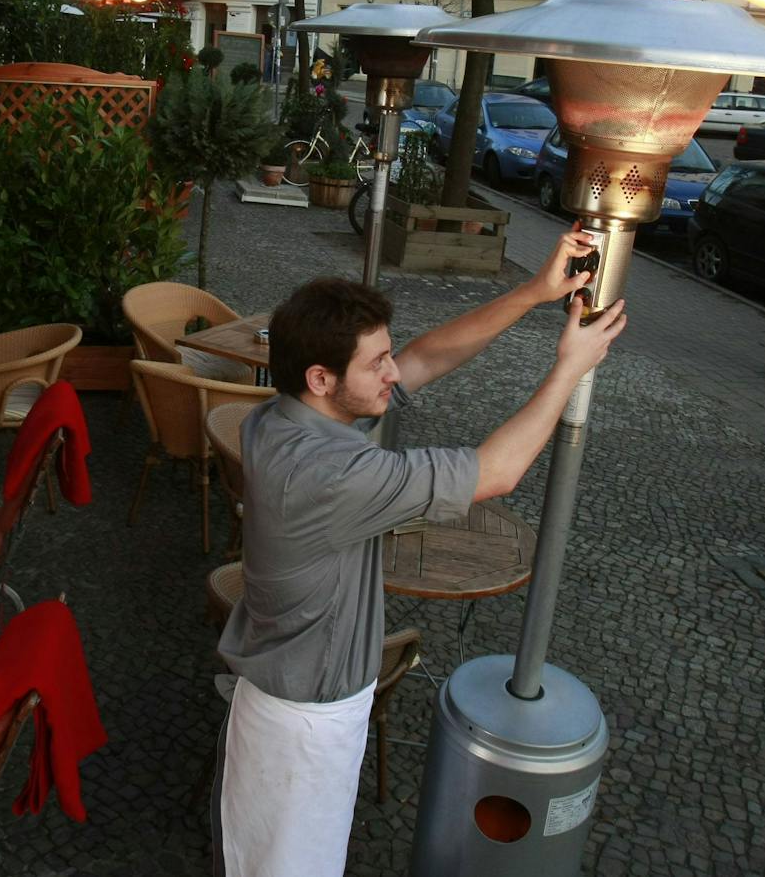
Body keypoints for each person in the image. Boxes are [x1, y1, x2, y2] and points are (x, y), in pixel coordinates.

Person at [212, 226, 627, 877]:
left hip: (290, 699)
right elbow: (496, 473)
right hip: (305, 728)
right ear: (321, 377)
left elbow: (428, 357)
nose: (393, 370)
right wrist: (569, 367)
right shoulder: (328, 473)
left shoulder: (287, 413)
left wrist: (534, 293)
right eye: (375, 363)